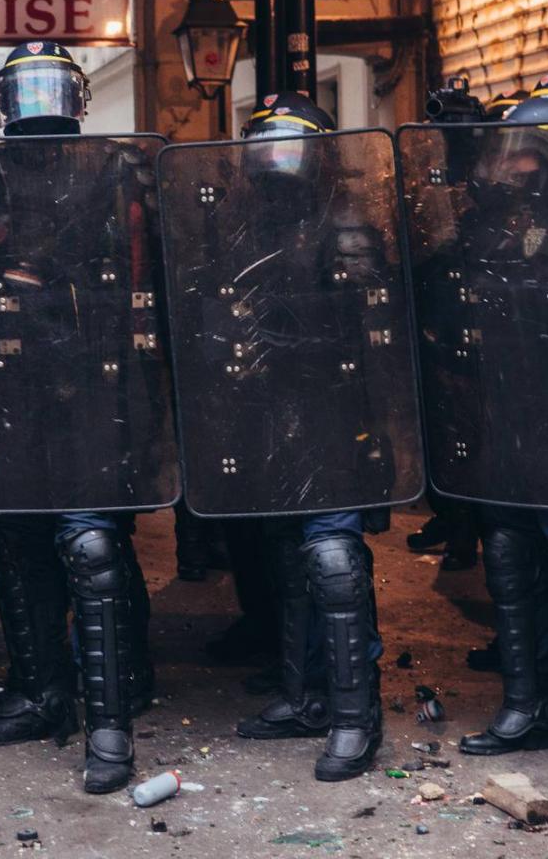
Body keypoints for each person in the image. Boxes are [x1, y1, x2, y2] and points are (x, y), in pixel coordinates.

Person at [0, 41, 164, 794]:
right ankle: (39, 688)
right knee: (15, 538)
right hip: (8, 382)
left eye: (51, 83)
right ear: (4, 99)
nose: (39, 99)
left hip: (94, 382)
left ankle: (115, 701)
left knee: (93, 538)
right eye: (26, 85)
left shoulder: (115, 173)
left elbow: (149, 276)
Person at [161, 91, 409, 781]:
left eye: (289, 147)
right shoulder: (245, 229)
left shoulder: (347, 229)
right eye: (266, 148)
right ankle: (303, 697)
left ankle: (357, 715)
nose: (276, 164)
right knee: (285, 558)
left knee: (333, 559)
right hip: (268, 417)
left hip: (332, 414)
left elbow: (372, 339)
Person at [404, 95, 548, 796]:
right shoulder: (511, 218)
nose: (516, 165)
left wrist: (524, 292)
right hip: (508, 408)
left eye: (528, 152)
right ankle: (527, 704)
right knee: (507, 551)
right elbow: (450, 278)